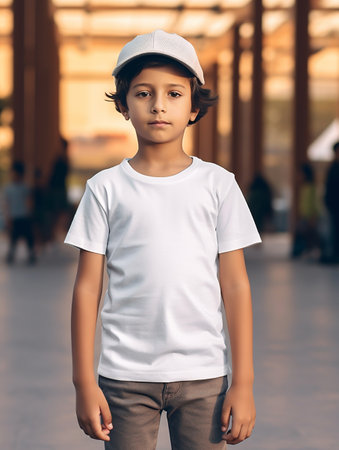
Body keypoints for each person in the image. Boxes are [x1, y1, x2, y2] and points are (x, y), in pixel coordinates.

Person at [65, 30, 261, 449]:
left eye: (174, 93)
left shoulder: (218, 185)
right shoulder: (105, 188)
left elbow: (236, 285)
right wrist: (84, 382)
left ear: (194, 106)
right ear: (123, 104)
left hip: (204, 378)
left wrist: (242, 383)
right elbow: (86, 288)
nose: (158, 105)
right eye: (143, 93)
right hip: (124, 378)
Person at [4, 161, 36, 264]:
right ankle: (11, 254)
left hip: (24, 216)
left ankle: (31, 254)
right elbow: (7, 204)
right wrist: (7, 217)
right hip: (14, 216)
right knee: (13, 236)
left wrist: (30, 213)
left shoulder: (25, 187)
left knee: (28, 236)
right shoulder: (9, 188)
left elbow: (29, 201)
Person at [291, 163, 320, 259]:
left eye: (299, 174)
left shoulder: (311, 187)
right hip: (304, 216)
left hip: (309, 216)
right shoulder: (304, 187)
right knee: (305, 234)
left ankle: (307, 251)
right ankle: (303, 251)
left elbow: (314, 203)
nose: (298, 176)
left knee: (308, 235)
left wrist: (313, 217)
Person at [324, 141, 339, 263]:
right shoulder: (333, 168)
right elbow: (328, 187)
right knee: (334, 231)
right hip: (334, 206)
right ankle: (334, 255)